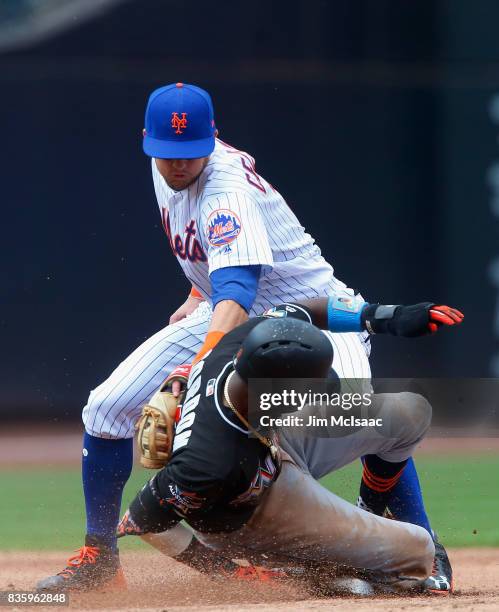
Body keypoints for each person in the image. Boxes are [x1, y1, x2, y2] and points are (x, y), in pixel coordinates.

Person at [36, 82, 459, 593]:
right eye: (167, 154)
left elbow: (238, 289)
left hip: (310, 316)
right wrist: (196, 294)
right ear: (147, 142)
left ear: (211, 138)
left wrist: (193, 370)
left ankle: (422, 542)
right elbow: (210, 263)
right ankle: (99, 559)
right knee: (106, 408)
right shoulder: (164, 166)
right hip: (222, 308)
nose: (178, 165)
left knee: (352, 417)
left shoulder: (226, 191)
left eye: (191, 153)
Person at [114, 298, 462, 595]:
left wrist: (385, 316)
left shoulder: (245, 342)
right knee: (418, 549)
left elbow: (307, 310)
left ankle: (363, 523)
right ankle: (314, 568)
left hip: (272, 439)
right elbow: (142, 520)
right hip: (254, 513)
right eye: (307, 390)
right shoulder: (208, 461)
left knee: (411, 412)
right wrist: (233, 574)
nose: (319, 393)